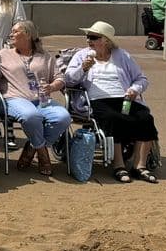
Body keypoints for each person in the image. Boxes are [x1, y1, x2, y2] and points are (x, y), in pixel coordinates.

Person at [63, 20, 159, 184]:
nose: (89, 40)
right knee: (113, 118)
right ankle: (119, 165)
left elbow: (141, 78)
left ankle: (140, 166)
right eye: (88, 37)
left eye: (94, 37)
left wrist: (134, 89)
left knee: (145, 118)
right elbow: (69, 80)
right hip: (97, 99)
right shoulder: (81, 55)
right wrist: (83, 68)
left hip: (123, 97)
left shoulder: (121, 55)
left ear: (106, 41)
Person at [0, 19, 71, 176]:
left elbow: (60, 78)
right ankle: (43, 154)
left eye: (15, 31)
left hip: (42, 100)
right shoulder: (4, 54)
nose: (11, 34)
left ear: (28, 35)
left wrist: (51, 87)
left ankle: (32, 147)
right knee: (31, 115)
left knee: (63, 117)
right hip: (14, 99)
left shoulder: (44, 56)